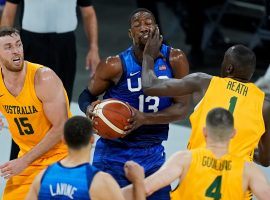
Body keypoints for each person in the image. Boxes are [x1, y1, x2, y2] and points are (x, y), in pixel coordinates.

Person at [78, 8, 189, 200]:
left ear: (156, 28)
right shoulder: (114, 65)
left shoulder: (175, 59)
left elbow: (182, 108)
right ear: (130, 34)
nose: (144, 28)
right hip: (114, 152)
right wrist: (90, 109)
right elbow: (85, 95)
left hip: (152, 152)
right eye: (137, 25)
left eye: (148, 23)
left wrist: (144, 119)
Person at [141, 28, 270, 168]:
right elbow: (265, 159)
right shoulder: (265, 105)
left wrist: (148, 55)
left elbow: (150, 86)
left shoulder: (203, 82)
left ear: (229, 68)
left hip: (197, 175)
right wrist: (243, 149)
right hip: (236, 185)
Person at [0, 0, 100, 162]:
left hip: (64, 46)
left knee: (60, 108)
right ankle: (20, 161)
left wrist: (94, 48)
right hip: (31, 43)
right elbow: (9, 11)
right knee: (25, 106)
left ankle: (57, 165)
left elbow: (88, 12)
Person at [123, 108, 270, 200]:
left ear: (205, 131)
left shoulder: (185, 159)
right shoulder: (248, 169)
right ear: (233, 134)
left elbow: (146, 188)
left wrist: (109, 192)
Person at [0, 27, 71, 199]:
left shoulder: (43, 78)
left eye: (18, 44)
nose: (16, 51)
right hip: (28, 160)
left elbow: (61, 127)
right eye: (8, 47)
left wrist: (24, 161)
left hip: (60, 158)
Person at [26, 116, 145, 200]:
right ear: (92, 139)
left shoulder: (43, 177)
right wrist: (138, 181)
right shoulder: (100, 181)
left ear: (63, 140)